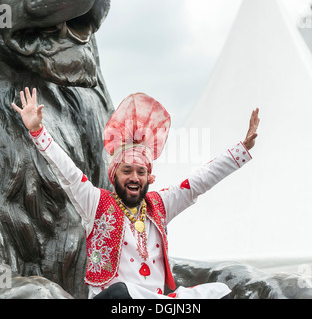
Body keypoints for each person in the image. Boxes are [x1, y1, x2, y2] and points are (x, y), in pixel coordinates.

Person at [12, 87, 260, 299]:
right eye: (127, 170)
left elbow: (199, 182)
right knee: (121, 292)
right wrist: (38, 132)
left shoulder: (160, 205)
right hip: (115, 302)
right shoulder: (96, 202)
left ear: (148, 177)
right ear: (114, 175)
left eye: (140, 172)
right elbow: (68, 172)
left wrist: (241, 150)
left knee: (219, 290)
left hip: (154, 302)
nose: (134, 177)